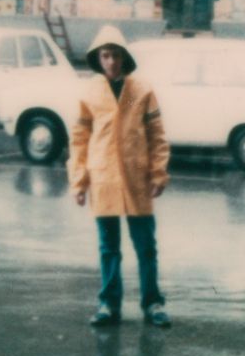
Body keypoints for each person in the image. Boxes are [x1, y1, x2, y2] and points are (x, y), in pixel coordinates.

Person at [68, 25, 172, 328]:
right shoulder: (90, 91)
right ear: (98, 59)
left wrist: (158, 173)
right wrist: (78, 181)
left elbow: (157, 135)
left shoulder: (141, 90)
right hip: (103, 179)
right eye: (105, 55)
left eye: (116, 55)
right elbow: (79, 139)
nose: (111, 62)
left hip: (137, 179)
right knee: (108, 247)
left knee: (145, 247)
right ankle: (108, 304)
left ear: (124, 57)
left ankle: (152, 303)